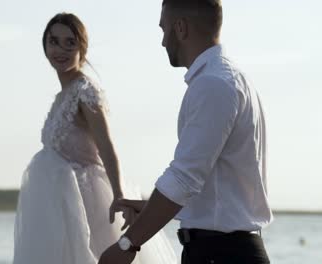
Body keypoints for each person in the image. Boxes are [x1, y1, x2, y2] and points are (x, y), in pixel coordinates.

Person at [99, 1, 273, 263]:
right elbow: (215, 191)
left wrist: (127, 244)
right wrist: (150, 210)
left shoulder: (213, 84)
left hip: (222, 255)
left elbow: (183, 179)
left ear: (180, 28)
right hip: (223, 252)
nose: (162, 42)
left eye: (163, 29)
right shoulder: (231, 79)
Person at [13, 12, 176, 264]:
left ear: (82, 48)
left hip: (87, 203)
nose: (60, 49)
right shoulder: (61, 95)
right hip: (58, 207)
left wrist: (119, 194)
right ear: (45, 45)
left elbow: (107, 147)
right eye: (54, 41)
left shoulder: (85, 91)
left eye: (70, 42)